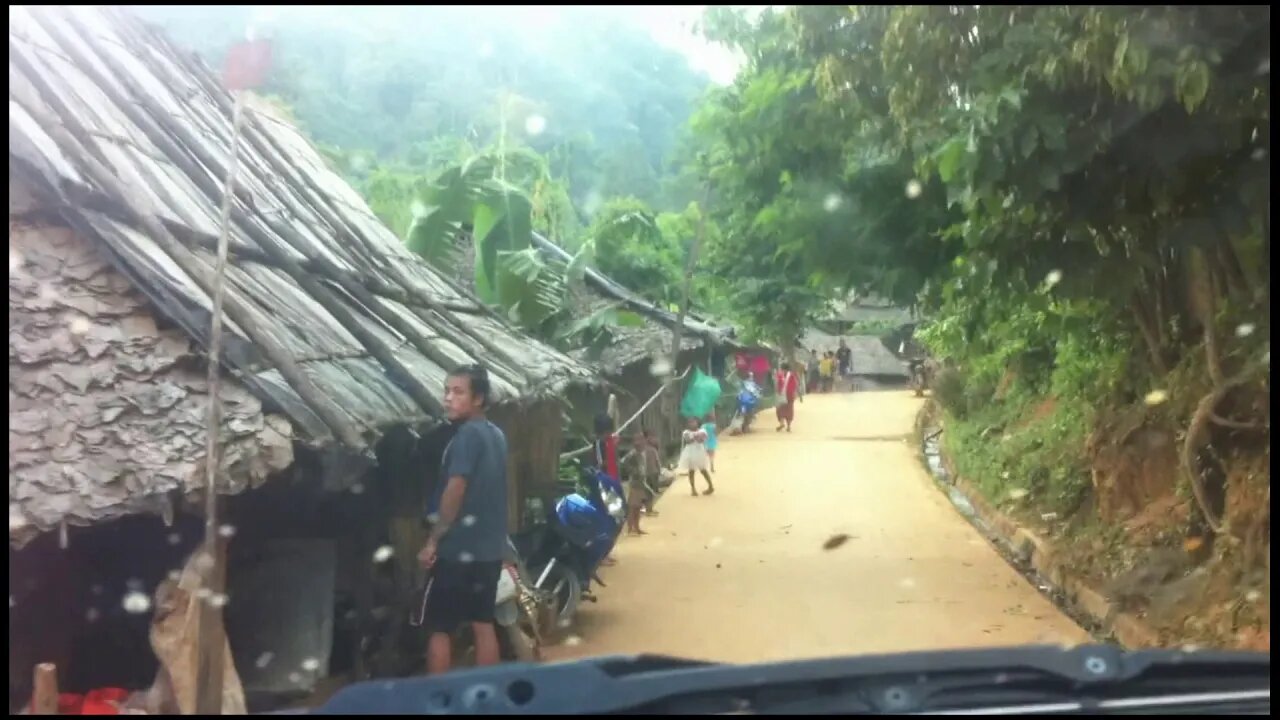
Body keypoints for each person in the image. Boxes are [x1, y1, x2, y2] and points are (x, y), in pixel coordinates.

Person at [418, 364, 508, 675]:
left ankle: (438, 700)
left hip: (457, 552)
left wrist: (433, 540)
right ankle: (488, 698)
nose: (448, 398)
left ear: (479, 399)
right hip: (488, 553)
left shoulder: (466, 436)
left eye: (458, 392)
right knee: (483, 624)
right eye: (446, 391)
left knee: (440, 629)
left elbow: (456, 488)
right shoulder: (496, 435)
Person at [621, 430, 661, 535]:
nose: (639, 442)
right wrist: (633, 471)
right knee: (633, 507)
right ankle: (630, 528)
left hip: (642, 482)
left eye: (641, 439)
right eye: (636, 440)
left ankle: (637, 527)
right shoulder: (632, 454)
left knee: (638, 507)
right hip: (635, 483)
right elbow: (623, 463)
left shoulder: (644, 452)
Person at [677, 416, 714, 496]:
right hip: (690, 452)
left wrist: (695, 436)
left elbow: (702, 439)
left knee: (703, 470)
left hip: (699, 451)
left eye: (694, 422)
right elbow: (688, 441)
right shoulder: (686, 432)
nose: (692, 424)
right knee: (691, 471)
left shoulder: (702, 430)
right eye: (690, 422)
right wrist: (696, 436)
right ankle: (693, 489)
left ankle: (711, 486)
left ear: (697, 422)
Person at [774, 362, 800, 432]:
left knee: (780, 409)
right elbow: (796, 384)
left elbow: (776, 384)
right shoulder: (792, 375)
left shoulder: (779, 375)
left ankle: (782, 423)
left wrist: (777, 392)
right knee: (789, 410)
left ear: (782, 368)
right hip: (790, 394)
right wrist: (796, 393)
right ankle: (788, 426)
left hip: (781, 394)